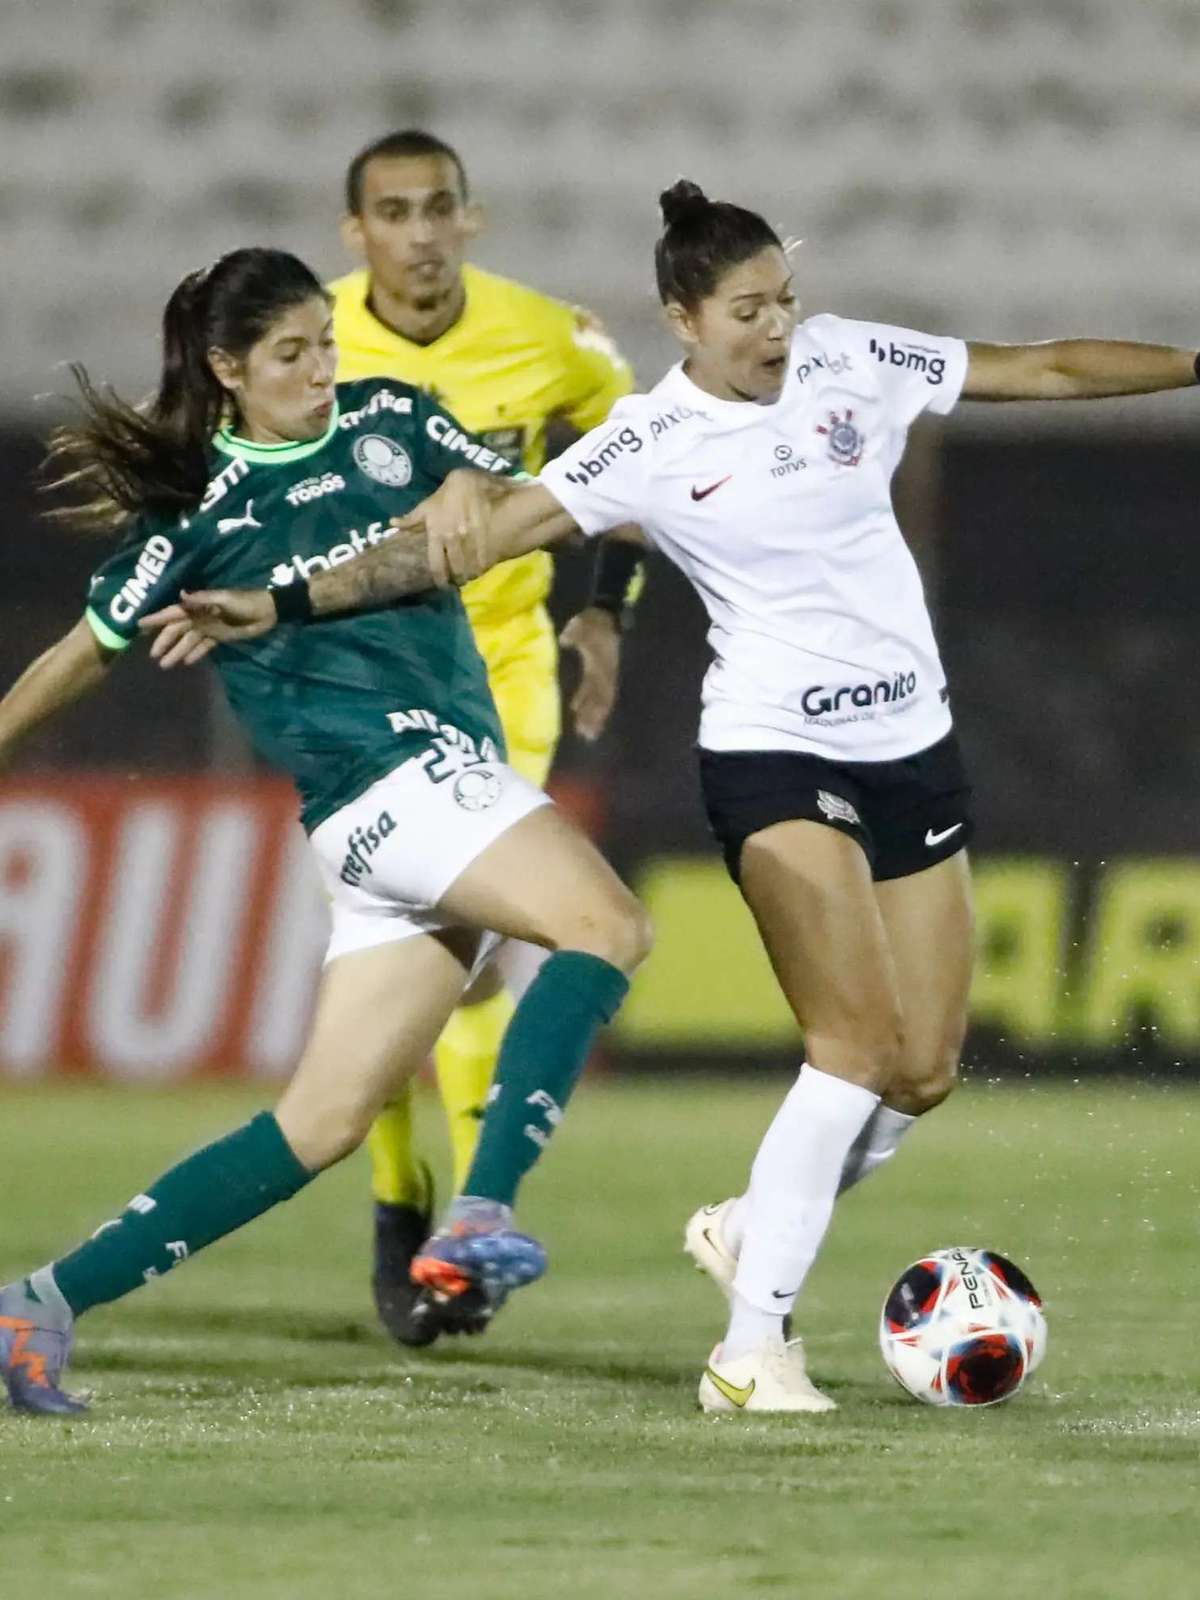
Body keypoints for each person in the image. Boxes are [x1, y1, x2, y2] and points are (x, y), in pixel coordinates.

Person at [145, 183, 1200, 1417]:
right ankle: (752, 1353)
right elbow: (467, 545)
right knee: (853, 1051)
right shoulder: (645, 442)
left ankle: (754, 1224)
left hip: (912, 744)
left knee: (922, 1071)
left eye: (784, 300)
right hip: (770, 756)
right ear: (682, 318)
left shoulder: (855, 358)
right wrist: (282, 601)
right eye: (748, 309)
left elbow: (1049, 368)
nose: (778, 328)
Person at [0, 246, 651, 1417]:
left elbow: (501, 504)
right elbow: (84, 651)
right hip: (401, 777)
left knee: (321, 1122)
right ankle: (480, 1215)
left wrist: (474, 491)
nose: (320, 369)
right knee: (606, 924)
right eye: (291, 354)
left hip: (379, 826)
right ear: (228, 369)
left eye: (325, 344)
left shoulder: (390, 417)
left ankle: (41, 1299)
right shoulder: (195, 511)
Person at [329, 129, 645, 1345]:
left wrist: (603, 619)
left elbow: (630, 464)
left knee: (467, 956)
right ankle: (396, 1201)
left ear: (472, 217)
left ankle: (464, 1229)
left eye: (438, 209)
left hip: (501, 674)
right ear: (358, 233)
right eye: (393, 213)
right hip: (359, 676)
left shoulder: (550, 337)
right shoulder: (308, 341)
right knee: (387, 950)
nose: (418, 233)